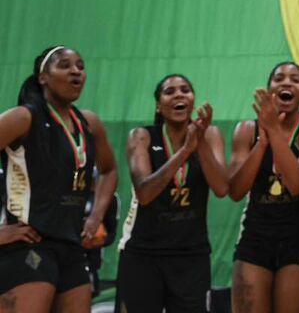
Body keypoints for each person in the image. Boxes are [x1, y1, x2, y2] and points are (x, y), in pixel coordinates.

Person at [0, 45, 118, 312]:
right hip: (28, 245)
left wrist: (96, 217)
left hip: (72, 248)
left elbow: (110, 171)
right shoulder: (23, 117)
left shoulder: (90, 123)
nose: (76, 71)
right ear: (43, 77)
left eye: (80, 65)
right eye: (64, 65)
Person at [114, 74, 229, 312]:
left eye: (185, 90)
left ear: (192, 100)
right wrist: (186, 151)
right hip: (143, 252)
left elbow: (221, 188)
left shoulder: (209, 135)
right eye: (169, 91)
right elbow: (145, 194)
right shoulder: (142, 136)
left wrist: (200, 143)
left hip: (191, 253)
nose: (179, 94)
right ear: (158, 105)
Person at [228, 62, 299, 313]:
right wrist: (262, 143)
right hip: (256, 237)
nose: (286, 82)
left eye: (295, 79)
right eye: (279, 78)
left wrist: (274, 130)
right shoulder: (246, 130)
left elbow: (297, 184)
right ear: (269, 88)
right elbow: (236, 191)